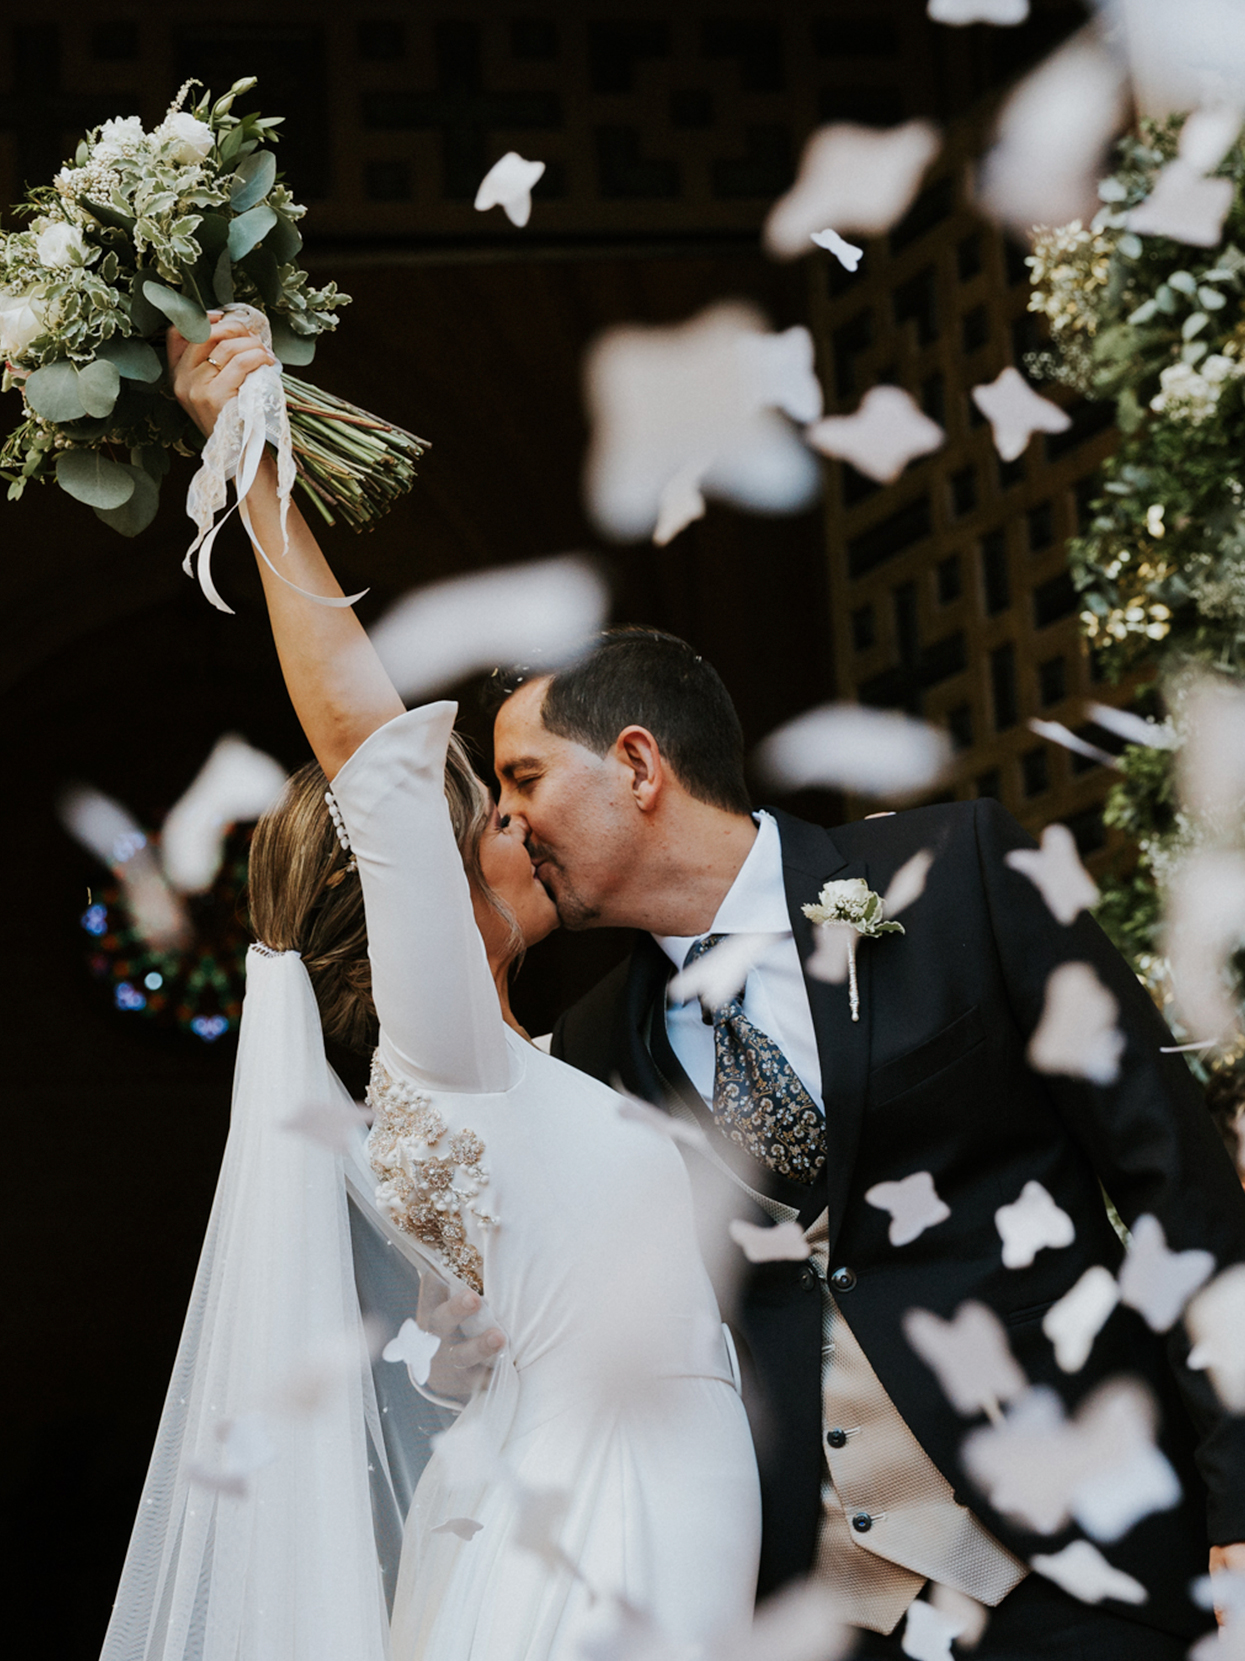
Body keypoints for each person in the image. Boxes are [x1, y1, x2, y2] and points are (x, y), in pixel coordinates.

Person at [102, 318, 761, 1661]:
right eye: (503, 814)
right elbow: (359, 734)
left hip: (602, 1500)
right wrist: (254, 453)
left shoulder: (503, 1068)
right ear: (433, 889)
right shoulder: (449, 1055)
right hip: (608, 1540)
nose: (530, 828)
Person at [486, 631, 1245, 1658]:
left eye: (522, 775)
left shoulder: (960, 870)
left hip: (1084, 1553)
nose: (508, 815)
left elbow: (1175, 1182)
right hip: (825, 1608)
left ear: (636, 762)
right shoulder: (587, 1047)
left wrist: (1238, 1493)